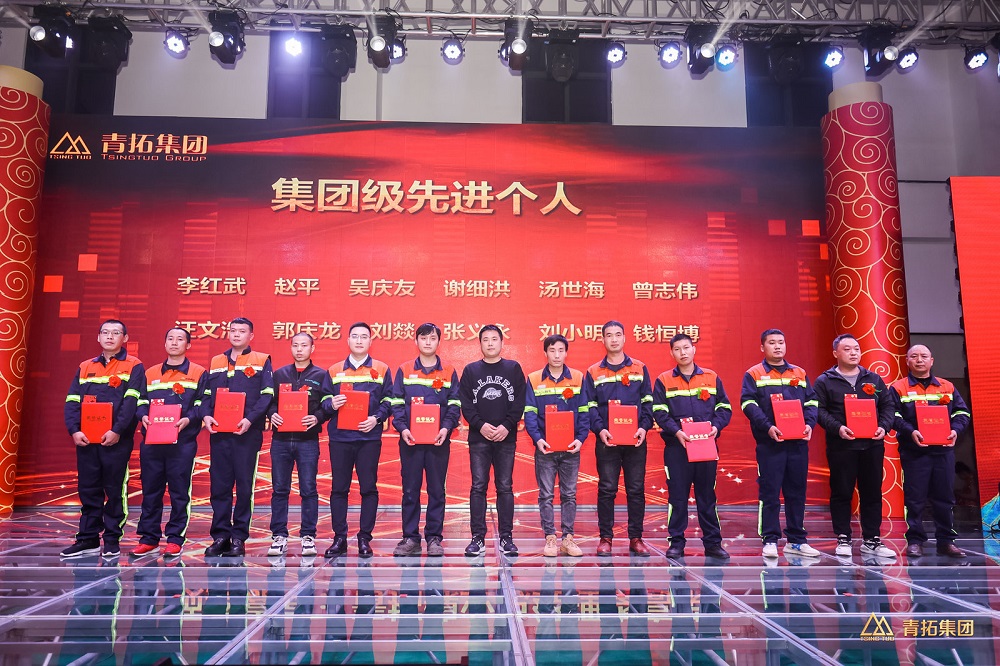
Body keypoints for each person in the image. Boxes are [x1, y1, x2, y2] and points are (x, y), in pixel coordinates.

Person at [61, 319, 144, 558]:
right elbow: (72, 401)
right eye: (105, 332)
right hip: (87, 439)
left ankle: (111, 538)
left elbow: (131, 403)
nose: (109, 336)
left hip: (116, 440)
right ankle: (88, 538)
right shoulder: (85, 366)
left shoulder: (134, 366)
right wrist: (74, 430)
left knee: (114, 490)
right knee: (88, 488)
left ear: (124, 339)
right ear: (98, 337)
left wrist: (117, 431)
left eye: (115, 333)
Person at [740, 328, 821, 559]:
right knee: (770, 493)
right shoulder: (754, 374)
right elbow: (748, 404)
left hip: (797, 443)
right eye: (772, 343)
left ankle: (796, 540)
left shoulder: (799, 372)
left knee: (797, 492)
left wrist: (809, 424)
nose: (777, 346)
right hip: (770, 443)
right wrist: (768, 427)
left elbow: (812, 401)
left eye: (781, 342)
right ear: (762, 347)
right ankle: (770, 539)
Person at [814, 334, 896, 559]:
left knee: (872, 492)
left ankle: (872, 539)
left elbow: (888, 406)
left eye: (856, 349)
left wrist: (884, 426)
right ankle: (843, 537)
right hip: (842, 446)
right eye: (847, 349)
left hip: (872, 445)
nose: (853, 353)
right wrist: (838, 428)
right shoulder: (825, 381)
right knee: (842, 492)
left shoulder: (873, 379)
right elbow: (818, 410)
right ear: (836, 353)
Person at [652, 333, 732, 559]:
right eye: (677, 349)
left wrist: (716, 426)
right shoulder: (664, 380)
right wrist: (676, 431)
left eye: (686, 347)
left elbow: (724, 407)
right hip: (677, 448)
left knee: (707, 496)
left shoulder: (711, 377)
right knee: (677, 498)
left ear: (694, 349)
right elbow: (659, 411)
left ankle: (713, 543)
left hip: (706, 446)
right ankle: (676, 543)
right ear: (672, 353)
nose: (683, 352)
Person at [200, 317, 274, 557]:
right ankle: (220, 535)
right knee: (219, 486)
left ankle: (239, 537)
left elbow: (266, 395)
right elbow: (206, 395)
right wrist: (206, 416)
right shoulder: (216, 361)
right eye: (233, 330)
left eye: (242, 331)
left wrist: (250, 419)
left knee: (243, 487)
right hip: (219, 433)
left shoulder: (261, 360)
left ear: (251, 336)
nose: (236, 334)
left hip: (246, 433)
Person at [131, 327, 208, 558]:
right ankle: (149, 538)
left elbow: (202, 403)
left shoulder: (198, 372)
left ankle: (175, 538)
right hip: (152, 441)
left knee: (179, 492)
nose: (174, 343)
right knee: (151, 490)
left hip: (182, 443)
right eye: (170, 339)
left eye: (180, 339)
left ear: (188, 345)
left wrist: (189, 419)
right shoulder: (150, 372)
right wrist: (143, 416)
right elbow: (140, 401)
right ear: (165, 344)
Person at [889, 344, 971, 558]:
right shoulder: (898, 388)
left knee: (945, 498)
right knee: (914, 499)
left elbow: (962, 413)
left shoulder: (947, 386)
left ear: (931, 361)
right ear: (907, 361)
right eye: (914, 356)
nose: (919, 360)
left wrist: (955, 430)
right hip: (914, 452)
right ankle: (915, 541)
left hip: (943, 452)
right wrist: (911, 432)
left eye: (924, 356)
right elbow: (893, 416)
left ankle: (946, 541)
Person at [322, 322, 393, 559]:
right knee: (339, 488)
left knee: (368, 488)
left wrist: (376, 418)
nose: (359, 340)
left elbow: (389, 400)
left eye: (364, 337)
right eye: (355, 336)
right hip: (340, 438)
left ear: (371, 341)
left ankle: (364, 538)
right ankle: (339, 538)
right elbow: (323, 400)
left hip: (368, 438)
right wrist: (331, 404)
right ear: (348, 341)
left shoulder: (381, 369)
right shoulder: (334, 370)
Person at [389, 323, 462, 557]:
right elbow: (396, 403)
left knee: (436, 490)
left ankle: (434, 538)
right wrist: (402, 429)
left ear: (438, 342)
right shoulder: (404, 369)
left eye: (432, 338)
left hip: (438, 441)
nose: (428, 342)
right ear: (416, 341)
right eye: (423, 338)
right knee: (410, 490)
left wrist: (446, 428)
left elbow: (455, 404)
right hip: (410, 440)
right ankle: (410, 538)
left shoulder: (448, 371)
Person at [584, 320, 654, 557]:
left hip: (635, 440)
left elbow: (648, 402)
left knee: (636, 489)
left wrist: (644, 428)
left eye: (618, 335)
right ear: (602, 339)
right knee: (607, 489)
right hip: (608, 440)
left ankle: (636, 538)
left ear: (624, 338)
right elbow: (590, 406)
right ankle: (606, 538)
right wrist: (600, 430)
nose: (613, 339)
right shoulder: (593, 371)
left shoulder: (639, 368)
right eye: (609, 335)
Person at [459, 324, 526, 557]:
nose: (490, 343)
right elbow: (465, 404)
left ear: (501, 342)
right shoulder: (471, 370)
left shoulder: (513, 368)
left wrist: (507, 425)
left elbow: (520, 402)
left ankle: (506, 537)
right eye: (485, 339)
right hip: (479, 438)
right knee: (478, 486)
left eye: (494, 339)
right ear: (480, 343)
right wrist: (481, 425)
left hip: (506, 438)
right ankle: (477, 538)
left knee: (505, 486)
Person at [266, 333, 332, 559]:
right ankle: (279, 536)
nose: (299, 349)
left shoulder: (321, 375)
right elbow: (269, 402)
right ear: (291, 348)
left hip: (307, 440)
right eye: (295, 345)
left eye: (304, 345)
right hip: (281, 440)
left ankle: (308, 536)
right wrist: (272, 414)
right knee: (279, 489)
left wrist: (318, 417)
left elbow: (327, 404)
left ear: (312, 348)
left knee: (308, 489)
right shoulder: (279, 374)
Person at [524, 334, 589, 558]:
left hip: (571, 449)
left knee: (569, 494)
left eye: (561, 350)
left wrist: (580, 439)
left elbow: (584, 411)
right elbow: (530, 413)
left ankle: (568, 539)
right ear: (545, 353)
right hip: (546, 449)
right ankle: (550, 537)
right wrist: (537, 439)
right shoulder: (534, 379)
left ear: (566, 352)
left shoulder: (578, 378)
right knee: (546, 495)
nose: (557, 355)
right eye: (552, 350)